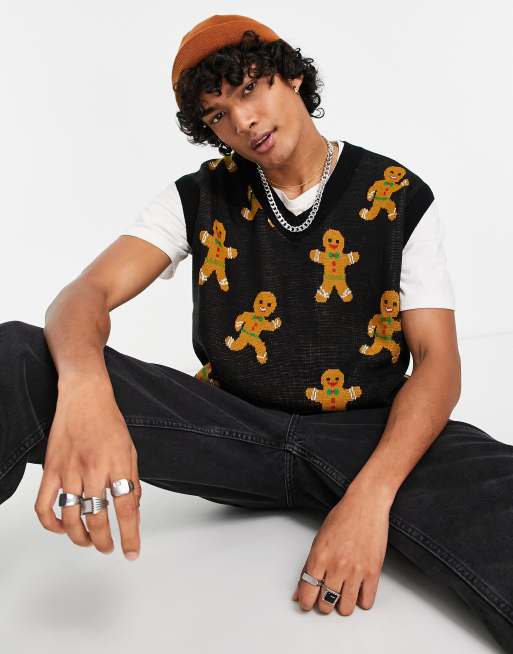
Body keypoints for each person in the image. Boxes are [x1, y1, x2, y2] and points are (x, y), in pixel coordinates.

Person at [1, 13, 512, 652]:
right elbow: (85, 295)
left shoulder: (397, 194)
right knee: (16, 358)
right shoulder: (199, 197)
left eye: (249, 88)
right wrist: (85, 388)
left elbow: (439, 363)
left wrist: (369, 498)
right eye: (218, 114)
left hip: (367, 434)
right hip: (230, 430)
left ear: (291, 76)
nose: (242, 121)